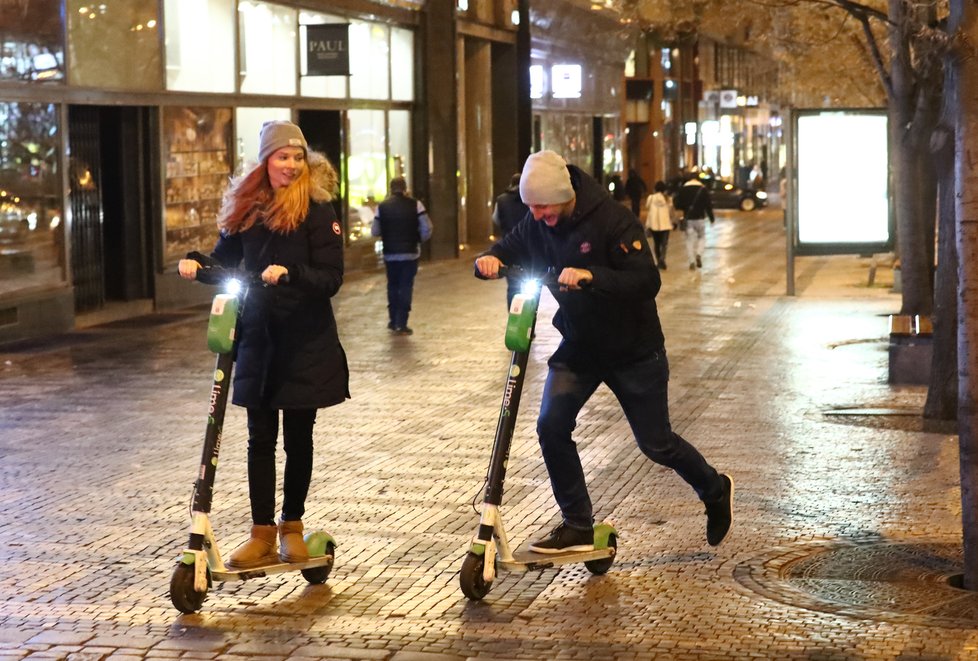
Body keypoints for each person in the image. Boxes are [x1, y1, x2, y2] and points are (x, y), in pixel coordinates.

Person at [474, 150, 733, 554]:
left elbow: (646, 281)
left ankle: (715, 489)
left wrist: (592, 276)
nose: (538, 215)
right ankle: (577, 523)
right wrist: (489, 259)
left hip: (633, 350)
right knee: (551, 426)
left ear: (563, 195)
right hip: (580, 345)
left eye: (543, 206)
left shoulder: (614, 220)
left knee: (657, 444)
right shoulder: (537, 221)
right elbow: (509, 245)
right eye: (532, 208)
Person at [177, 120, 350, 569]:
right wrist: (199, 265)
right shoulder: (248, 210)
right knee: (259, 438)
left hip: (303, 339)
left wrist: (291, 275)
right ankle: (261, 534)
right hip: (257, 336)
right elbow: (225, 260)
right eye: (282, 157)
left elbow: (332, 278)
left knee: (298, 436)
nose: (291, 166)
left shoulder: (318, 210)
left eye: (297, 157)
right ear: (266, 161)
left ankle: (292, 527)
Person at [372, 176, 433, 335]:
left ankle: (392, 320)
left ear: (391, 189)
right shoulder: (416, 205)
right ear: (405, 188)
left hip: (390, 254)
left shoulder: (382, 207)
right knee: (406, 286)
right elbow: (427, 228)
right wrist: (418, 239)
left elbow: (375, 231)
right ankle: (402, 322)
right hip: (410, 254)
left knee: (392, 285)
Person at [492, 172, 530, 307]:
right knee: (532, 282)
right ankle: (530, 316)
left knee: (513, 285)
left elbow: (496, 219)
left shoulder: (501, 200)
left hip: (510, 247)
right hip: (530, 247)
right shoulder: (529, 197)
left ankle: (514, 314)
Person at [673, 174, 715, 270]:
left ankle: (691, 261)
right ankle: (699, 254)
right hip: (700, 218)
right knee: (702, 237)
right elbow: (708, 205)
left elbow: (677, 204)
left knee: (689, 241)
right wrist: (711, 218)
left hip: (688, 219)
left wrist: (684, 207)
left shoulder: (683, 189)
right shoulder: (703, 189)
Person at [645, 180, 674, 270]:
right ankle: (662, 260)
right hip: (665, 225)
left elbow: (647, 207)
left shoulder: (651, 198)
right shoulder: (668, 199)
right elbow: (671, 212)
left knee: (656, 244)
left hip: (654, 225)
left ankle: (658, 261)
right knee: (664, 244)